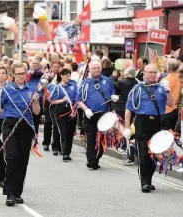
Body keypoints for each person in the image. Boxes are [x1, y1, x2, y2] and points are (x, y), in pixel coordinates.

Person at [0, 63, 40, 206]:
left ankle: (17, 193)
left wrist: (35, 101)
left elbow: (36, 112)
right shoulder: (7, 90)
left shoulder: (32, 90)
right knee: (12, 157)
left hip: (26, 126)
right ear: (13, 75)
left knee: (23, 160)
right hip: (10, 125)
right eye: (18, 74)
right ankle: (9, 193)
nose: (21, 76)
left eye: (23, 73)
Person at [123, 64, 174, 192]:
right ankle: (144, 182)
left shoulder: (161, 88)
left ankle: (149, 180)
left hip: (158, 122)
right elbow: (129, 109)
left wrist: (168, 91)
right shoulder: (137, 89)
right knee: (144, 153)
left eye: (154, 72)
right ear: (144, 73)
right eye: (149, 72)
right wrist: (127, 127)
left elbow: (171, 103)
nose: (152, 74)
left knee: (155, 153)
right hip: (142, 122)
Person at [77, 61, 119, 169]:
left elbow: (112, 94)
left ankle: (96, 158)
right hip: (90, 115)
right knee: (91, 138)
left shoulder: (107, 81)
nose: (96, 70)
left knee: (101, 139)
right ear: (90, 70)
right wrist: (86, 110)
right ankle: (91, 160)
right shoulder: (85, 83)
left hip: (104, 115)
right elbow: (79, 100)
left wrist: (114, 97)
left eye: (98, 68)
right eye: (94, 68)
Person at [50, 68, 77, 161]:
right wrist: (62, 100)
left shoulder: (74, 85)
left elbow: (78, 97)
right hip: (61, 111)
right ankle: (65, 154)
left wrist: (76, 105)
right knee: (64, 132)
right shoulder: (57, 87)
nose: (68, 78)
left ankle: (67, 152)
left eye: (69, 76)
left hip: (72, 111)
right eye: (66, 76)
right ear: (61, 76)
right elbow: (51, 101)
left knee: (70, 133)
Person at [161, 58, 181, 131]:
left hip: (167, 111)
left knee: (168, 135)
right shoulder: (181, 79)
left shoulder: (164, 80)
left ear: (168, 68)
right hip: (179, 110)